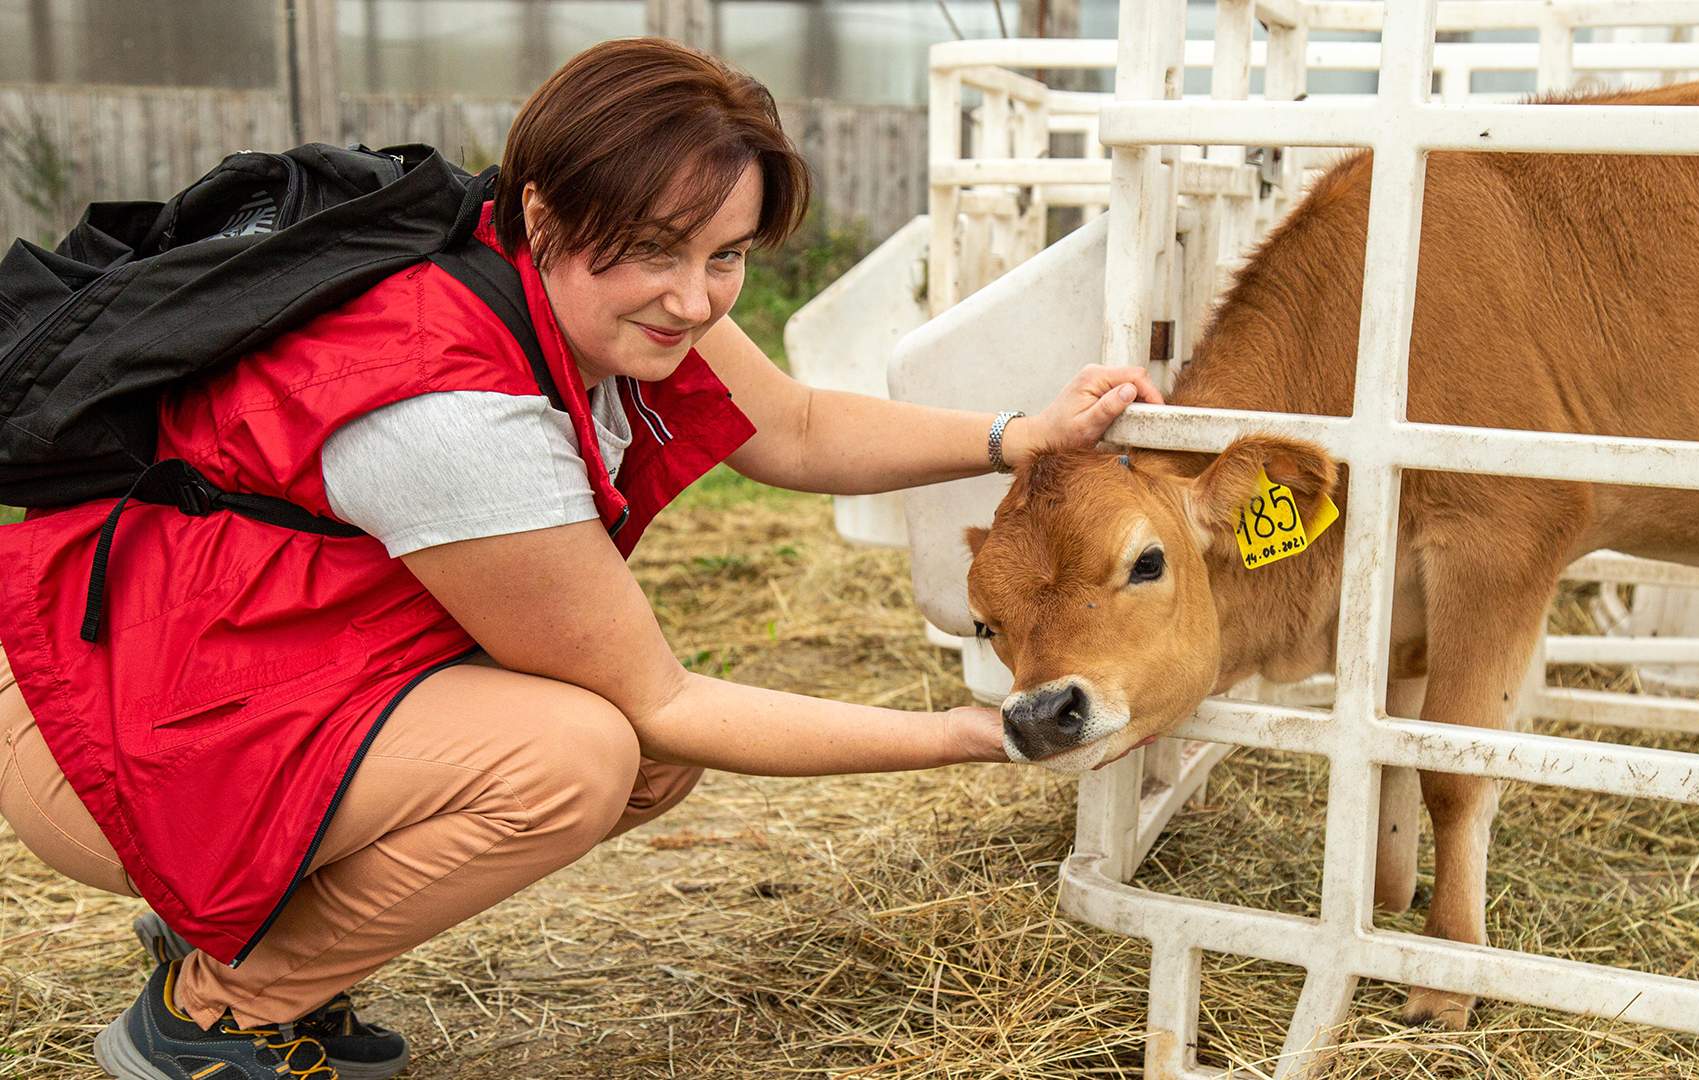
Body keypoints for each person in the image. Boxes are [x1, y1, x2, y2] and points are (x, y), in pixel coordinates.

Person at [0, 37, 1163, 1080]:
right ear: (548, 212)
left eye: (728, 255)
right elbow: (659, 699)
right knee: (580, 753)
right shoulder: (453, 408)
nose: (697, 298)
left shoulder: (579, 287)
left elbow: (797, 427)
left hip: (232, 669)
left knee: (633, 752)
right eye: (660, 251)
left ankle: (251, 926)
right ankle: (217, 1013)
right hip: (105, 724)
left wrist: (1019, 437)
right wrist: (977, 734)